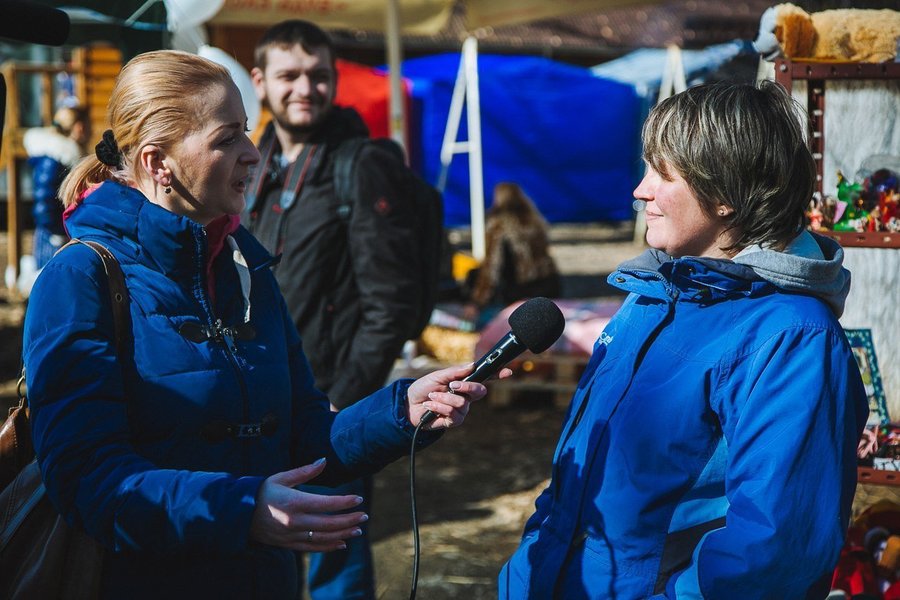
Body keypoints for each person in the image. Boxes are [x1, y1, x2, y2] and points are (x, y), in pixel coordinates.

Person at [22, 49, 491, 599]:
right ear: (157, 162)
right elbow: (86, 479)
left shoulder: (245, 267)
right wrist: (243, 510)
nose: (253, 154)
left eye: (247, 132)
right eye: (227, 139)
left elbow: (301, 436)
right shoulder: (79, 278)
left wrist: (398, 412)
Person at [500, 80, 869, 599]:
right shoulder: (652, 297)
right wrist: (527, 569)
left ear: (725, 193)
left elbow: (772, 552)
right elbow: (577, 483)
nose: (639, 190)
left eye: (662, 173)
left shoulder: (791, 337)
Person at [245, 20, 421, 599]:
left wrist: (346, 398)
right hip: (254, 405)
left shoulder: (360, 163)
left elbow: (388, 302)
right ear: (260, 82)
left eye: (319, 75)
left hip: (328, 406)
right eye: (289, 75)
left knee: (333, 566)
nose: (305, 88)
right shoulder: (251, 168)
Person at [465, 182, 560, 323]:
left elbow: (491, 268)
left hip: (517, 293)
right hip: (548, 288)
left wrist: (477, 303)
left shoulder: (499, 225)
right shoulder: (536, 221)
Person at [23, 104, 90, 268]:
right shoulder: (55, 159)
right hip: (53, 236)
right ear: (79, 127)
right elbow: (44, 201)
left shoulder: (63, 158)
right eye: (88, 126)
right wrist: (57, 232)